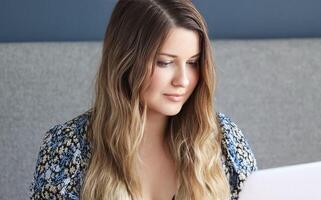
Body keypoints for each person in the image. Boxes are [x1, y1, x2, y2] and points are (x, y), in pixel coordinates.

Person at [29, 0, 258, 199]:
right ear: (126, 63)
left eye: (193, 62)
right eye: (165, 62)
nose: (183, 80)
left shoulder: (223, 139)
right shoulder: (69, 146)